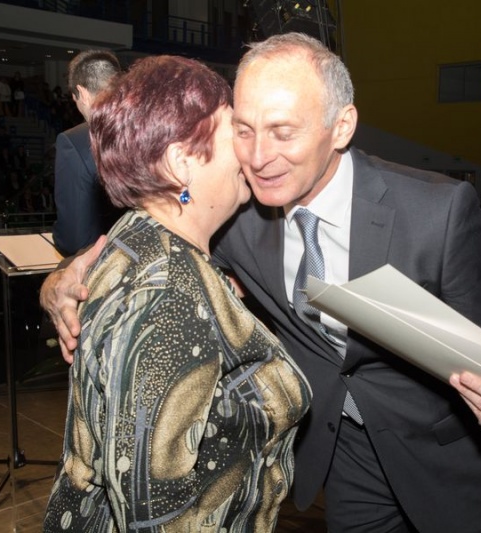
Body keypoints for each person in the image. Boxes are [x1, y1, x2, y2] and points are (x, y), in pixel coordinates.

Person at [42, 33, 481, 532]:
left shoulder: (437, 213)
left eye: (283, 132)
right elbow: (145, 236)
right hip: (345, 461)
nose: (259, 157)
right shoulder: (237, 214)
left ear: (341, 126)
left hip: (452, 463)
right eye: (243, 130)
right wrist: (58, 282)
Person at [42, 55, 311, 532]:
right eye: (234, 132)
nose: (249, 152)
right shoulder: (168, 298)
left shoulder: (135, 234)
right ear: (180, 161)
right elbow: (155, 512)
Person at [51, 50, 122, 256]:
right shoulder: (151, 127)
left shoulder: (76, 141)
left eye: (74, 99)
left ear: (81, 93)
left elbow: (75, 240)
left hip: (105, 261)